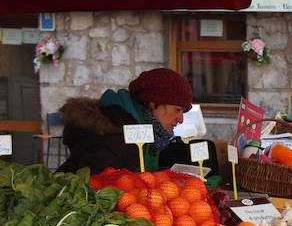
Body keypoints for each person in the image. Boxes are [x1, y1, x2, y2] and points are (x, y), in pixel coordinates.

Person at [57, 67, 192, 175]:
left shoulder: (152, 134)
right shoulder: (109, 134)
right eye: (177, 110)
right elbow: (99, 192)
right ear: (153, 103)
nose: (181, 119)